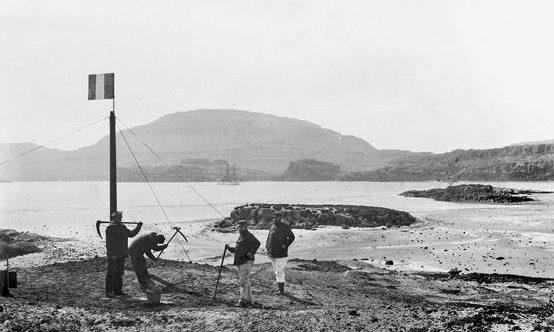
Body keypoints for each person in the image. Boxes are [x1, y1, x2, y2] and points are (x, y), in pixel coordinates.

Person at [105, 211, 142, 297]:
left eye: (121, 217)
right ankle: (109, 292)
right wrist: (111, 255)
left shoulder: (122, 227)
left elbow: (131, 234)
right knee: (111, 273)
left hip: (121, 254)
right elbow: (109, 243)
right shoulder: (110, 228)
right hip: (113, 255)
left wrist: (138, 227)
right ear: (114, 218)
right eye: (118, 217)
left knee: (119, 273)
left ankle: (118, 290)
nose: (120, 218)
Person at [226, 220, 261, 307]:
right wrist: (230, 249)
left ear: (245, 227)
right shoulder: (241, 236)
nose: (239, 229)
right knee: (246, 280)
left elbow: (257, 243)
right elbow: (238, 250)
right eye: (238, 227)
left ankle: (242, 300)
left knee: (243, 281)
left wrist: (251, 252)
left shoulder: (249, 236)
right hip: (240, 261)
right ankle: (249, 299)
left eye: (241, 227)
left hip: (246, 261)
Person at [266, 211, 295, 295]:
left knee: (279, 271)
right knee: (276, 271)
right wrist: (267, 246)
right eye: (274, 217)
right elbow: (269, 237)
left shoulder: (285, 227)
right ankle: (279, 288)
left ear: (280, 218)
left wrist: (285, 245)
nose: (275, 219)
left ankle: (281, 290)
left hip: (281, 253)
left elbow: (292, 237)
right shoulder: (272, 226)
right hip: (272, 252)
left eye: (277, 217)